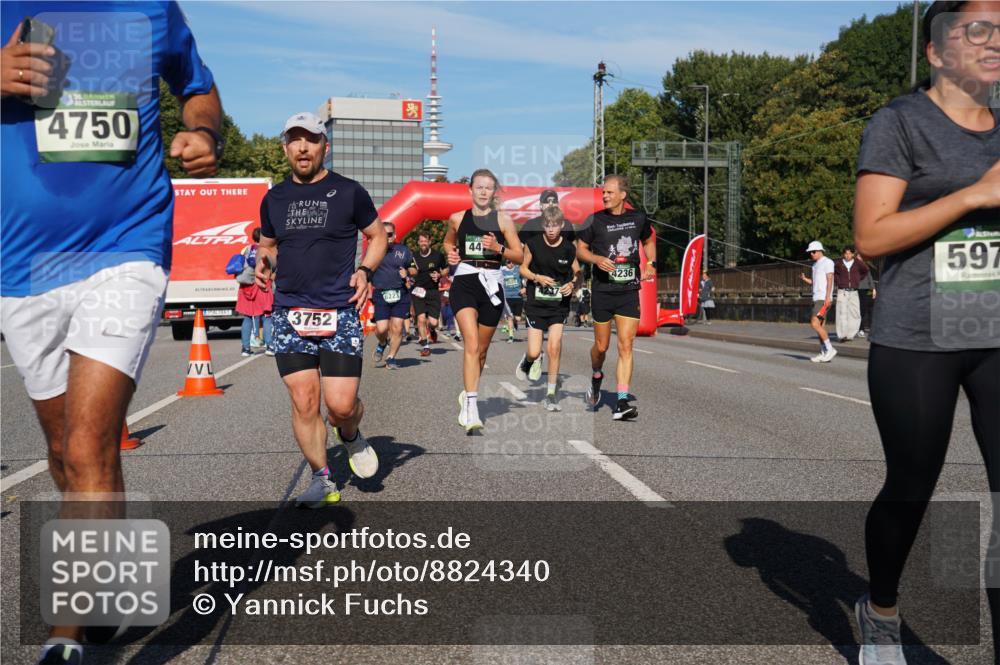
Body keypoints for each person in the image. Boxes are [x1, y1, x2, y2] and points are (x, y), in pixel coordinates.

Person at [0, 3, 221, 663]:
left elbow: (198, 89)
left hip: (127, 243)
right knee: (66, 456)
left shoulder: (151, 6)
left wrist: (204, 132)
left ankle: (63, 640)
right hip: (23, 263)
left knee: (90, 440)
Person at [853, 3, 999, 664]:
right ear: (937, 51)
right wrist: (971, 196)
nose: (995, 41)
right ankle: (880, 608)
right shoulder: (899, 122)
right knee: (912, 485)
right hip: (919, 331)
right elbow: (872, 236)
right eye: (979, 28)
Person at [256, 112, 388, 507]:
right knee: (304, 400)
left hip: (339, 310)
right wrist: (264, 261)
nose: (302, 147)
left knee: (341, 405)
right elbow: (268, 244)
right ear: (285, 148)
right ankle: (321, 478)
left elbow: (377, 236)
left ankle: (349, 433)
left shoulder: (349, 192)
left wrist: (365, 270)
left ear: (323, 147)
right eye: (294, 140)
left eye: (310, 140)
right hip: (289, 313)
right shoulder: (274, 198)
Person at [443, 169, 523, 433]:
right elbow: (448, 243)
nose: (484, 192)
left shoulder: (503, 221)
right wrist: (452, 255)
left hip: (493, 284)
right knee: (472, 344)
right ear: (470, 190)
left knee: (482, 350)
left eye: (489, 188)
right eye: (479, 187)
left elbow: (519, 256)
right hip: (466, 281)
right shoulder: (457, 218)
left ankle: (468, 392)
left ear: (493, 192)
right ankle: (472, 407)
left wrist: (498, 248)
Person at [576, 175, 656, 420]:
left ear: (623, 194)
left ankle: (621, 402)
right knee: (602, 347)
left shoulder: (638, 218)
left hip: (628, 291)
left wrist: (651, 262)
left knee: (626, 345)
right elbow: (580, 248)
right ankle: (597, 374)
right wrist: (597, 259)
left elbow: (649, 238)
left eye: (610, 192)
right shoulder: (595, 220)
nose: (605, 196)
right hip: (602, 291)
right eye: (603, 193)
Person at [516, 206, 580, 411]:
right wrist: (537, 277)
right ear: (543, 225)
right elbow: (523, 268)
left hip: (558, 305)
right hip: (536, 303)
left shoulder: (569, 248)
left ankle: (551, 393)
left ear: (561, 225)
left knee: (554, 346)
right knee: (535, 351)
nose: (551, 230)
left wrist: (572, 283)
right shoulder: (533, 244)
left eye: (555, 225)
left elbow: (577, 272)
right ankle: (529, 360)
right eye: (548, 225)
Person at [370, 222, 415, 369]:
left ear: (394, 235)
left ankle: (391, 358)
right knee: (382, 329)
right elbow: (365, 269)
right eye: (384, 234)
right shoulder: (374, 250)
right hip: (381, 293)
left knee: (397, 327)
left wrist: (407, 272)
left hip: (400, 293)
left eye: (389, 234)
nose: (387, 237)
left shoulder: (403, 250)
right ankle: (383, 343)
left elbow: (414, 269)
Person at [236, 228, 275, 357]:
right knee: (267, 317)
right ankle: (270, 346)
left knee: (247, 317)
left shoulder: (246, 250)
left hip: (246, 287)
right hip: (263, 286)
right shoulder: (266, 250)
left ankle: (245, 349)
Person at [410, 231, 447, 357]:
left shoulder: (438, 256)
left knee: (434, 322)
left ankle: (431, 329)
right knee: (421, 319)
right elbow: (409, 269)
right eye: (421, 241)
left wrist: (440, 274)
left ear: (430, 242)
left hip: (433, 292)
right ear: (418, 243)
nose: (423, 243)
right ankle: (426, 346)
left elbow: (446, 268)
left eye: (425, 241)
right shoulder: (413, 257)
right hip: (418, 292)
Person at [800, 241, 837, 363]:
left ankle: (830, 349)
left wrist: (828, 297)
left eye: (813, 252)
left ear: (820, 251)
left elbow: (830, 279)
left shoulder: (828, 262)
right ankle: (823, 352)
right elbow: (815, 282)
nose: (811, 254)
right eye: (810, 252)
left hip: (823, 299)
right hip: (816, 298)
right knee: (820, 327)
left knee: (814, 323)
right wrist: (805, 279)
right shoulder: (814, 266)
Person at [833, 246, 869, 342]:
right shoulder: (839, 264)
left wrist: (857, 279)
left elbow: (865, 271)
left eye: (849, 253)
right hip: (842, 291)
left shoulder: (858, 263)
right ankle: (842, 335)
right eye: (846, 253)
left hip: (854, 291)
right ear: (843, 254)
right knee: (841, 313)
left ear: (853, 254)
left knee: (855, 313)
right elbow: (835, 274)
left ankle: (850, 335)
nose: (848, 255)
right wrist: (839, 282)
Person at [500, 259, 524, 343]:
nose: (511, 264)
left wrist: (525, 288)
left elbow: (527, 278)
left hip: (518, 296)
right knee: (510, 317)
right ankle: (511, 336)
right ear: (505, 263)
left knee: (517, 318)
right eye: (508, 262)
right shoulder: (502, 270)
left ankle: (515, 323)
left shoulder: (518, 269)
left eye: (512, 262)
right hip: (507, 297)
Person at [857, 252, 878, 337]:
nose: (859, 258)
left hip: (868, 289)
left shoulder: (866, 267)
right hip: (858, 289)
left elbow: (870, 278)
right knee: (861, 309)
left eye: (860, 256)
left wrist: (873, 289)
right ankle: (861, 328)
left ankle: (871, 327)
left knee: (870, 308)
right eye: (858, 256)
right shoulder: (853, 266)